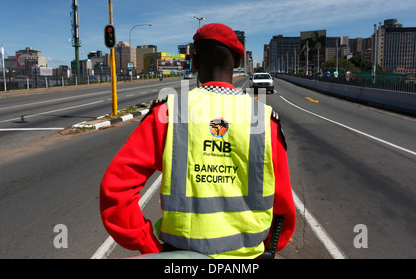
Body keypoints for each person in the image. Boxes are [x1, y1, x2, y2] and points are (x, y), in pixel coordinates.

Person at [99, 23, 296, 259]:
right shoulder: (264, 120)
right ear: (236, 62)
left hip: (181, 257)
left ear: (194, 61)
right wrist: (271, 248)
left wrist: (148, 245)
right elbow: (283, 205)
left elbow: (115, 191)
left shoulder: (169, 113)